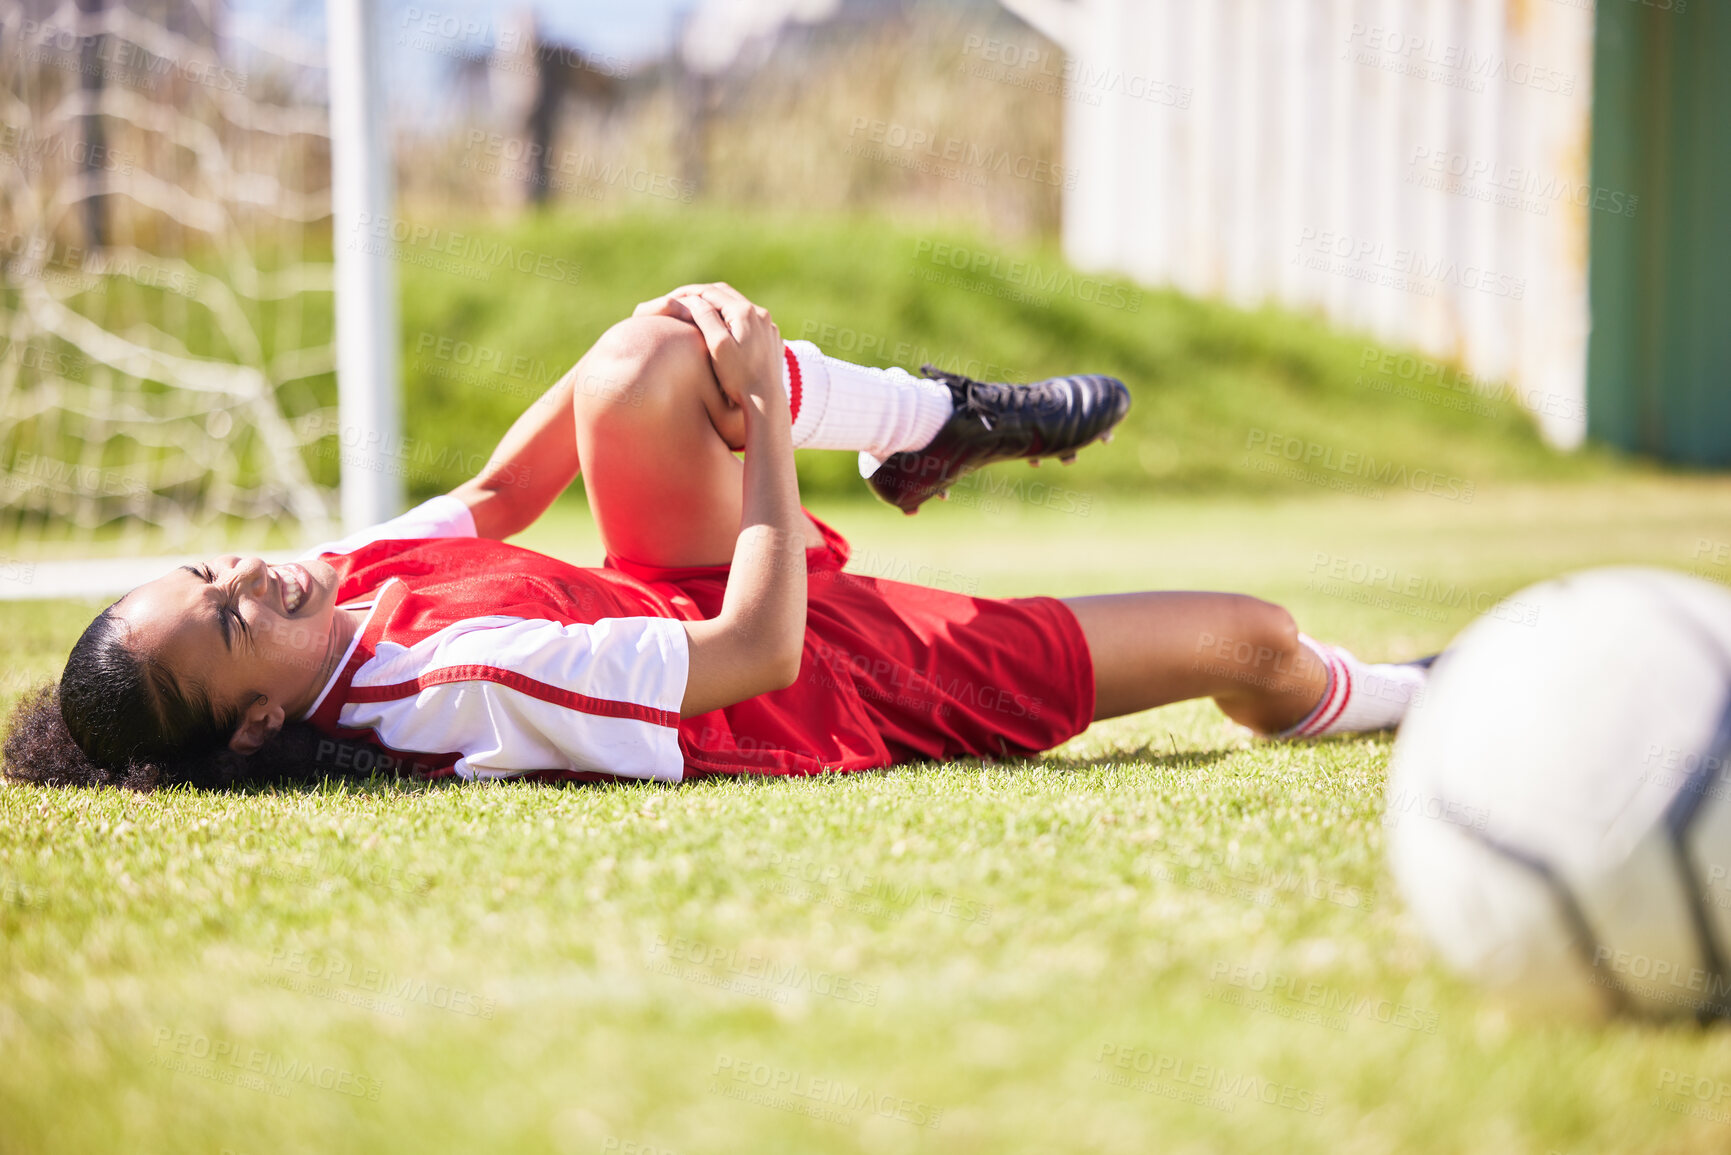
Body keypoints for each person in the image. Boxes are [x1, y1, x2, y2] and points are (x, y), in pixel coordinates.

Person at [1, 284, 1427, 792]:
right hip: (823, 681)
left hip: (666, 588)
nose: (248, 576)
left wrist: (651, 336)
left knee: (652, 355)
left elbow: (499, 501)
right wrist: (753, 417)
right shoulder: (456, 687)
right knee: (1252, 637)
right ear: (257, 725)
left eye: (210, 572)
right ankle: (1421, 693)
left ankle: (931, 420)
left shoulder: (334, 588)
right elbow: (750, 653)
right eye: (233, 620)